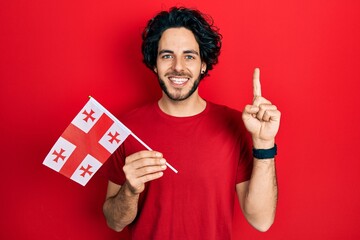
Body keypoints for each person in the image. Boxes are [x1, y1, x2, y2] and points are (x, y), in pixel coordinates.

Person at [103, 6, 281, 239]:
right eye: (167, 55)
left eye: (189, 56)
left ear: (203, 65)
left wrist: (264, 143)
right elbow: (114, 222)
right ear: (155, 64)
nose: (178, 66)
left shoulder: (235, 125)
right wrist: (130, 190)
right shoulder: (124, 128)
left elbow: (262, 221)